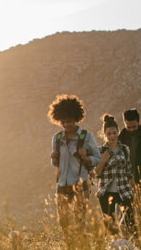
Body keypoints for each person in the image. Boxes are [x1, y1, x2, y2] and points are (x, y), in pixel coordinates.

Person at [48, 94, 101, 230]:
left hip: (80, 184)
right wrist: (54, 158)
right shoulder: (57, 138)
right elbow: (55, 165)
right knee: (63, 220)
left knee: (79, 219)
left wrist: (87, 158)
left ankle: (80, 244)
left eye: (69, 121)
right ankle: (70, 245)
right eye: (63, 122)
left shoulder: (87, 137)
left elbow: (98, 158)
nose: (66, 125)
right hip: (62, 184)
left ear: (77, 119)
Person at [93, 114, 133, 232]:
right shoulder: (100, 151)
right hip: (106, 191)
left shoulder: (125, 149)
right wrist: (103, 160)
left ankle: (131, 246)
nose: (112, 136)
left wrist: (133, 186)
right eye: (109, 134)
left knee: (131, 222)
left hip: (124, 190)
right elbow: (96, 173)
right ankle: (112, 247)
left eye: (114, 133)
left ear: (118, 132)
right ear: (104, 134)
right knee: (110, 226)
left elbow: (129, 170)